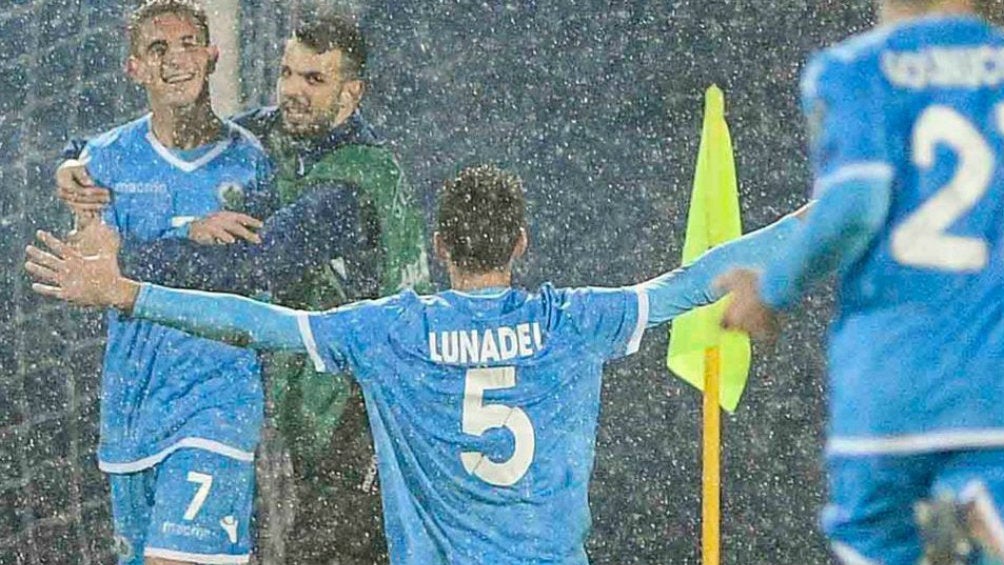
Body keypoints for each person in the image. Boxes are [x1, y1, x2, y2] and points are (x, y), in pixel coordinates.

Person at [28, 164, 804, 564]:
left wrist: (131, 292)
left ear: (438, 247)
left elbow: (258, 322)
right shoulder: (574, 320)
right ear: (521, 243)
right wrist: (819, 215)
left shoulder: (389, 331)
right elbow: (696, 278)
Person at [57, 14, 427, 563]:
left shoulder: (355, 181)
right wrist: (73, 160)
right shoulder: (277, 132)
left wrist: (126, 259)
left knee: (330, 551)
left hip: (375, 411)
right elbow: (169, 128)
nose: (293, 93)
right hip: (312, 403)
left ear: (352, 94)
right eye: (287, 74)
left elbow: (258, 267)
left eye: (314, 81)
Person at [719, 1, 1004, 563]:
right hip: (993, 380)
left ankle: (976, 511)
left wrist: (772, 290)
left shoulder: (853, 68)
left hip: (890, 381)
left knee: (871, 535)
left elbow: (855, 202)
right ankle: (981, 507)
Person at [65, 1, 284, 563]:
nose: (175, 60)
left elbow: (251, 274)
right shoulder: (106, 159)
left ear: (212, 56)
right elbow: (96, 269)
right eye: (157, 49)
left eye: (188, 44)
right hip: (133, 408)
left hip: (217, 400)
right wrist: (188, 234)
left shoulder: (251, 163)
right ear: (134, 68)